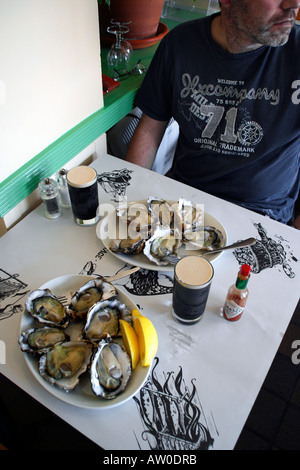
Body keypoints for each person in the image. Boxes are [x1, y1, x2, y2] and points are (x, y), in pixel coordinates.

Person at [126, 0, 300, 229]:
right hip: (185, 206)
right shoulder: (180, 44)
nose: (293, 5)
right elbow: (149, 129)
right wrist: (127, 203)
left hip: (263, 219)